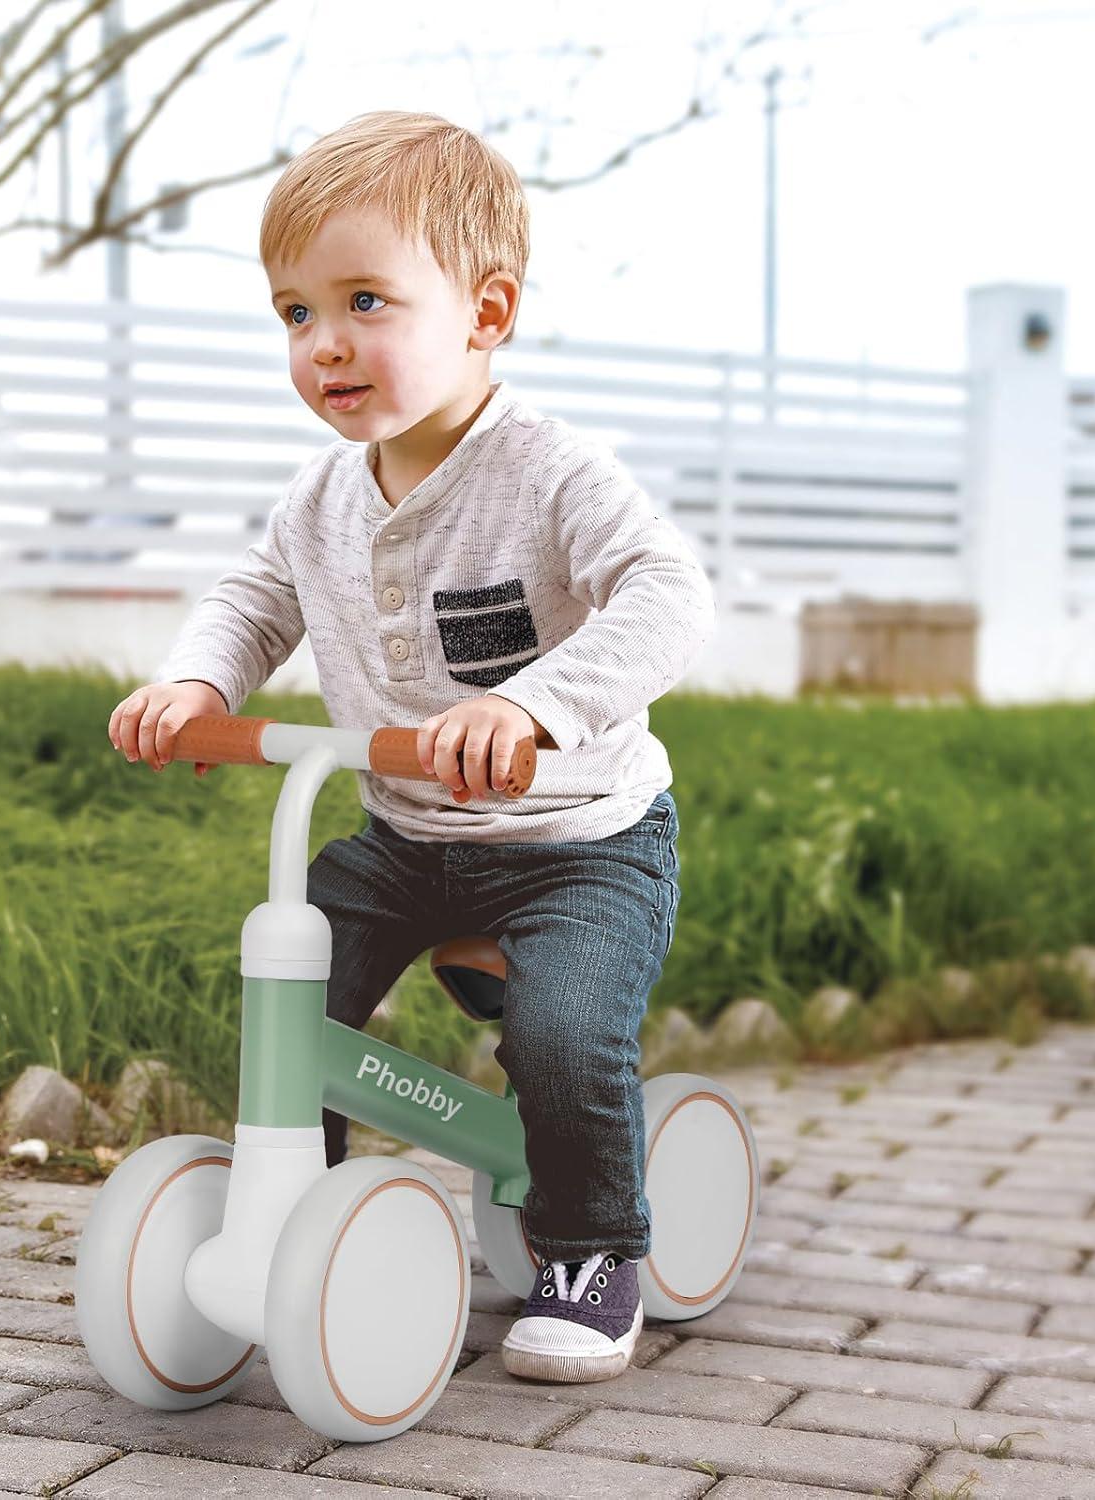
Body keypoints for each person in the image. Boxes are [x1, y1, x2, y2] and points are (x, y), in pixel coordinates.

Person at [107, 110, 715, 1384]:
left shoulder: (550, 474)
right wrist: (194, 682)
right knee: (296, 984)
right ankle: (294, 1221)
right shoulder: (321, 496)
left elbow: (669, 593)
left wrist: (532, 708)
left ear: (486, 312)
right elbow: (254, 599)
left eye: (365, 300)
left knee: (560, 1040)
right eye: (294, 313)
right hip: (408, 836)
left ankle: (595, 1252)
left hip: (576, 845)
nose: (324, 343)